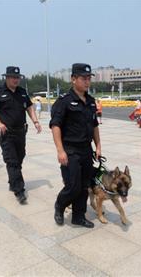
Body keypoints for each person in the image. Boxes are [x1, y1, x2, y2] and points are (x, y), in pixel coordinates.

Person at [49, 63, 101, 228]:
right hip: (70, 150)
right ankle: (60, 205)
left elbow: (94, 126)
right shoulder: (64, 101)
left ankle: (78, 216)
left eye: (88, 78)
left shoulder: (91, 101)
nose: (87, 82)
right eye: (83, 78)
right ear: (73, 79)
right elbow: (55, 126)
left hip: (86, 150)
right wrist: (60, 150)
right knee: (73, 186)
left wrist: (98, 146)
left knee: (84, 186)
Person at [0, 66, 42, 204]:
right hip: (6, 133)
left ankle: (13, 180)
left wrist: (35, 121)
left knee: (19, 157)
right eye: (13, 77)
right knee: (11, 160)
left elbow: (29, 107)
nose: (16, 80)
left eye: (17, 77)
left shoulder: (22, 92)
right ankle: (19, 190)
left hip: (21, 132)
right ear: (6, 78)